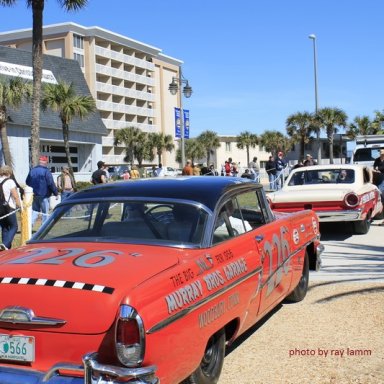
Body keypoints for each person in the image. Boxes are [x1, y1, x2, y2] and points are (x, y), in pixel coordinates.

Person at [26, 155, 59, 226]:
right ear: (45, 162)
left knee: (34, 211)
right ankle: (44, 228)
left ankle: (29, 225)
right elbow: (50, 183)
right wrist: (56, 193)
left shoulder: (32, 170)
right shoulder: (46, 171)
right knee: (45, 213)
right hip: (44, 195)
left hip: (34, 194)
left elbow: (27, 182)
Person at [0, 165, 22, 249]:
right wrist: (19, 206)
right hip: (9, 207)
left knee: (4, 227)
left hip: (0, 208)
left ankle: (5, 248)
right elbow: (15, 195)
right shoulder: (10, 182)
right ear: (9, 173)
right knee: (14, 226)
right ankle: (5, 244)